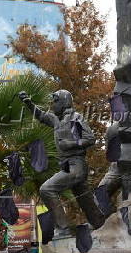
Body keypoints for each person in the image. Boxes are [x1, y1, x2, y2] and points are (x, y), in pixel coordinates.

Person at [18, 90, 105, 238]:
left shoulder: (74, 118)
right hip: (66, 165)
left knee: (46, 189)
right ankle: (100, 224)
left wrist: (71, 144)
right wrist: (28, 102)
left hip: (76, 165)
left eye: (56, 101)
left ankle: (64, 229)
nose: (53, 105)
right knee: (84, 199)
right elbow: (40, 116)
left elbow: (90, 139)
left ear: (64, 102)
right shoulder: (56, 120)